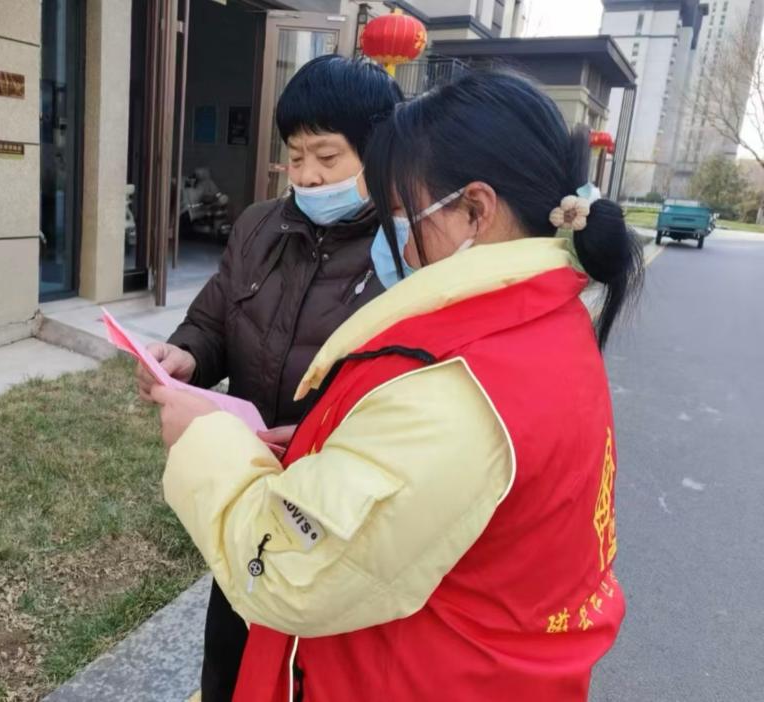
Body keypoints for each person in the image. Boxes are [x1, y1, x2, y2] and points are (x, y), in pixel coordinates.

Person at [151, 70, 643, 701]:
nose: (401, 247)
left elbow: (289, 572)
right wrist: (329, 443)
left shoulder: (459, 386)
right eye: (295, 157)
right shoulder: (541, 323)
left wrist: (202, 440)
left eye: (406, 216)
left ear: (476, 209)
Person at [135, 55, 404, 700]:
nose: (307, 176)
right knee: (229, 654)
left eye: (327, 157)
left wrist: (314, 442)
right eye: (295, 155)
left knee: (310, 665)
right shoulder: (260, 225)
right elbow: (214, 319)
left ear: (378, 153)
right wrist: (187, 356)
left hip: (332, 508)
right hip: (251, 489)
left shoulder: (405, 250)